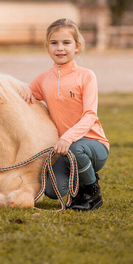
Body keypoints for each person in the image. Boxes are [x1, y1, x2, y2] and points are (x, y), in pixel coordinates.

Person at [22, 18, 109, 211]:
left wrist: (67, 138)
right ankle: (80, 179)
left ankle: (92, 192)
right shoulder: (44, 79)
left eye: (66, 43)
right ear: (47, 47)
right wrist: (24, 91)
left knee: (77, 149)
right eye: (54, 43)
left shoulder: (86, 76)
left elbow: (90, 116)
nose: (60, 48)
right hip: (65, 148)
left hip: (93, 145)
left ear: (77, 46)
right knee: (53, 190)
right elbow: (28, 93)